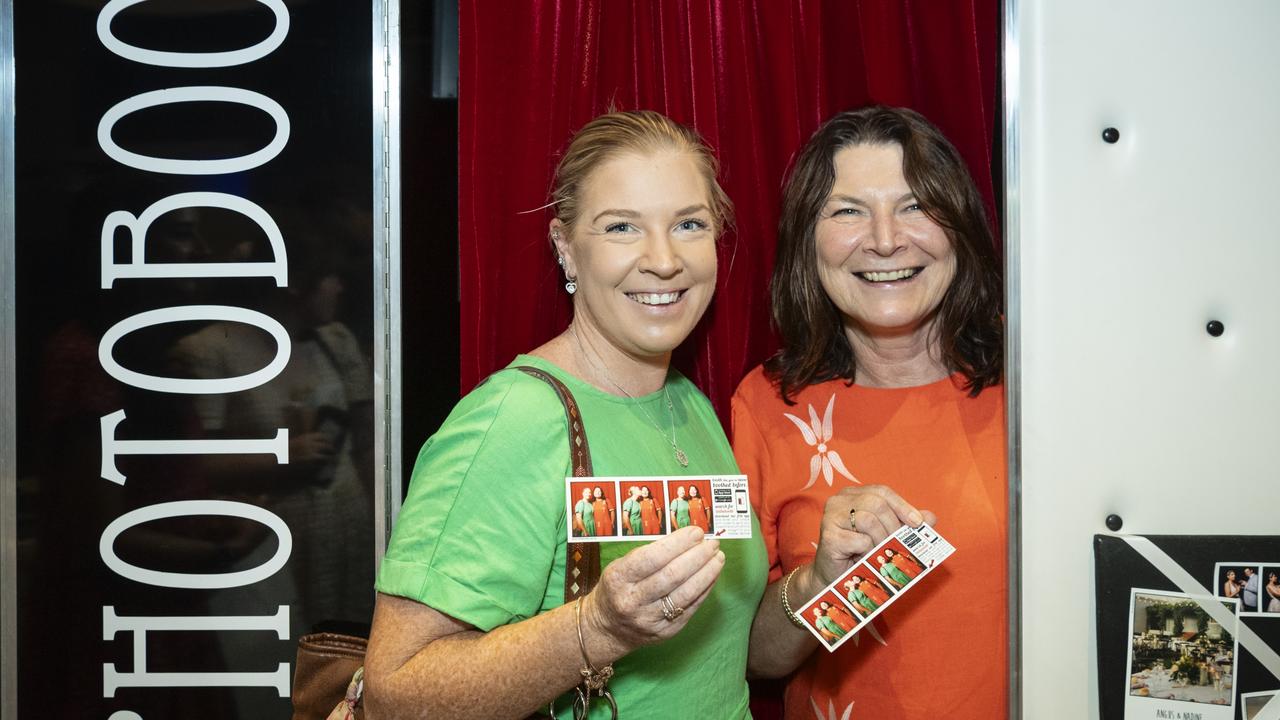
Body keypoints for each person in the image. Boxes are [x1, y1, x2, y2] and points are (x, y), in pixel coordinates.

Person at [364, 110, 767, 719]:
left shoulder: (689, 402)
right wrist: (602, 627)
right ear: (565, 249)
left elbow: (725, 643)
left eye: (688, 223)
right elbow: (396, 694)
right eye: (622, 228)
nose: (663, 259)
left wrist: (821, 584)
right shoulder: (516, 419)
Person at [732, 106, 1005, 717]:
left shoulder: (1043, 377)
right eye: (848, 210)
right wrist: (818, 581)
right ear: (808, 239)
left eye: (914, 206)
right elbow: (753, 657)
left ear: (960, 225)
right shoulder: (767, 405)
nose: (885, 240)